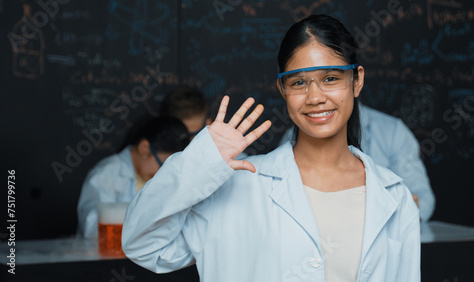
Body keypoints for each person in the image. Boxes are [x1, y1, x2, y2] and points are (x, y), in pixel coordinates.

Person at [122, 15, 420, 281]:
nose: (315, 97)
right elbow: (144, 246)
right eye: (299, 82)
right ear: (283, 90)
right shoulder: (240, 187)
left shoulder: (394, 197)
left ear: (356, 81)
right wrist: (198, 163)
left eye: (330, 78)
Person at [279, 102, 436, 221]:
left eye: (332, 79)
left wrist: (407, 208)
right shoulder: (294, 137)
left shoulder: (393, 131)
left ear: (356, 82)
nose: (318, 96)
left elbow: (422, 199)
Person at [77, 116, 190, 238]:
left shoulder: (157, 177)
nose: (163, 174)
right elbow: (92, 229)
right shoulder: (106, 174)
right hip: (107, 254)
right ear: (144, 148)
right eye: (162, 165)